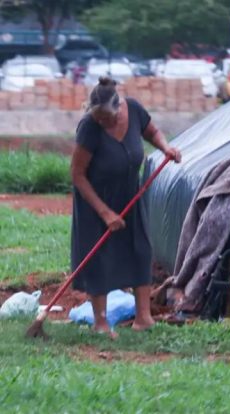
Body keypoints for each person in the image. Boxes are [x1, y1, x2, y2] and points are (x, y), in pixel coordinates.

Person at [70, 76, 181, 336]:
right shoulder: (89, 127)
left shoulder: (134, 109)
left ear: (119, 107)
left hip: (130, 194)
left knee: (140, 249)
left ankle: (144, 318)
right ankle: (100, 323)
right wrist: (105, 212)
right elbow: (77, 174)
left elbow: (152, 132)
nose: (102, 122)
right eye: (98, 118)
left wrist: (166, 148)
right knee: (99, 258)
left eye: (106, 118)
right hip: (96, 200)